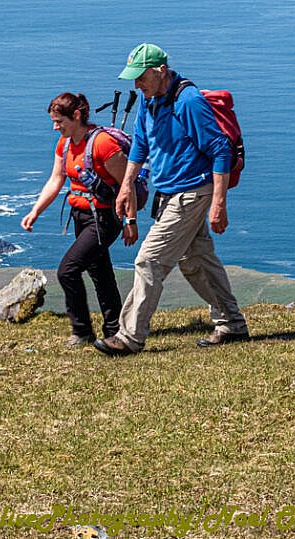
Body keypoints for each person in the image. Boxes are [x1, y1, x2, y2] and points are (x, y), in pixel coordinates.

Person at [94, 43, 249, 356]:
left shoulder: (188, 101)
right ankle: (231, 323)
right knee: (197, 262)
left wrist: (219, 203)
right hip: (168, 193)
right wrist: (126, 187)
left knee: (149, 260)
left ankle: (129, 337)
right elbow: (139, 146)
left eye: (141, 77)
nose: (137, 84)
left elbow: (220, 150)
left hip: (192, 192)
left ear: (161, 71)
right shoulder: (149, 103)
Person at [21, 92, 135, 347]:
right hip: (81, 215)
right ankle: (114, 329)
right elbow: (56, 179)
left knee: (67, 271)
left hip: (105, 217)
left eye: (59, 121)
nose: (55, 127)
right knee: (100, 273)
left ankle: (82, 331)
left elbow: (127, 185)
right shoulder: (65, 144)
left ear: (76, 116)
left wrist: (130, 221)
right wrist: (35, 211)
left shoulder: (103, 143)